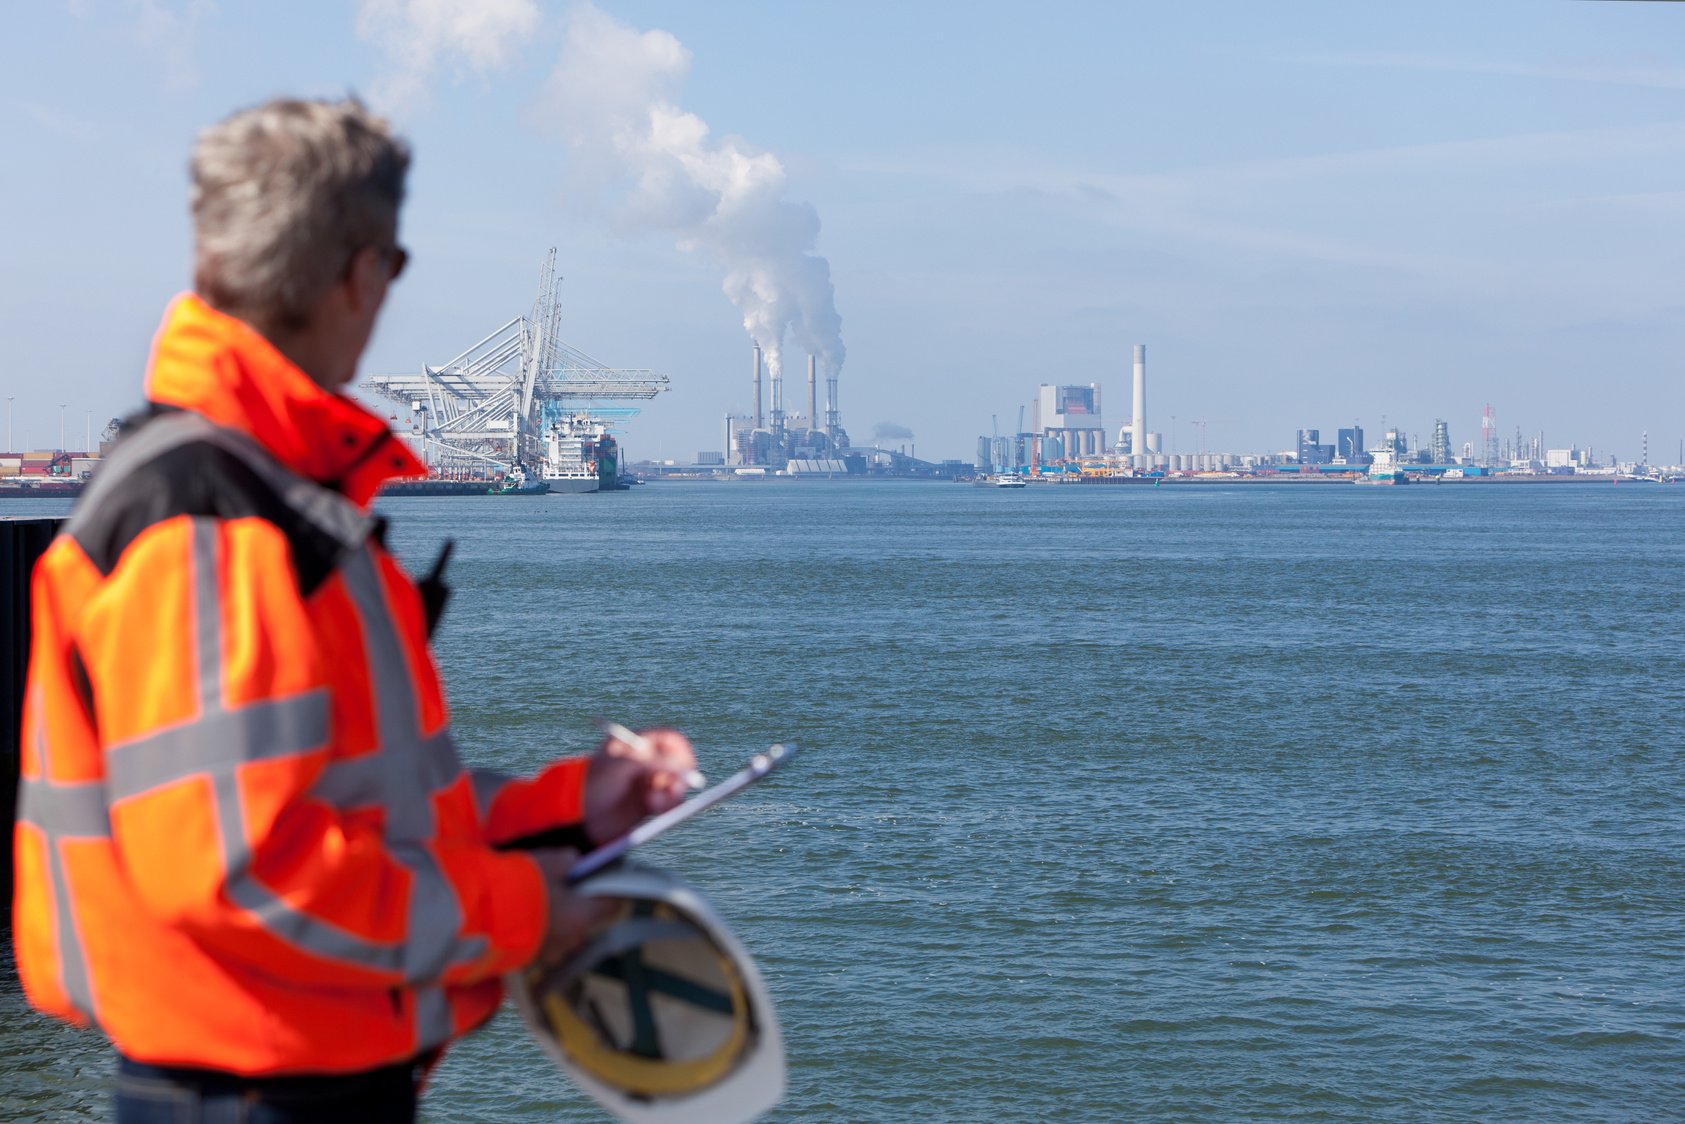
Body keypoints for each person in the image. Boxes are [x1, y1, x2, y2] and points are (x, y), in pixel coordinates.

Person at [12, 96, 697, 1122]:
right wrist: (524, 911)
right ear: (362, 272)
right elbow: (242, 873)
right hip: (253, 1090)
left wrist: (562, 808)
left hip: (283, 1075)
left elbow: (346, 811)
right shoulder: (216, 526)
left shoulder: (262, 501)